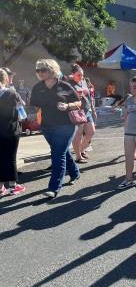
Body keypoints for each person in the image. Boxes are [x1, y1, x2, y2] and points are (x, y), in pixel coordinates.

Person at [30, 59, 81, 198]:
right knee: (61, 151)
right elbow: (35, 106)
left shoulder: (64, 86)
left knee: (57, 155)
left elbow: (79, 102)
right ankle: (75, 173)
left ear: (52, 70)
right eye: (38, 70)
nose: (40, 73)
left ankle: (54, 188)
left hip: (65, 125)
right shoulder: (37, 88)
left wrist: (67, 106)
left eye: (43, 70)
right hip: (47, 126)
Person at [0, 68, 26, 196]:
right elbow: (22, 110)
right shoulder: (11, 93)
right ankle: (13, 186)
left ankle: (0, 187)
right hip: (10, 130)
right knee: (11, 158)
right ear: (5, 79)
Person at [68, 64, 96, 163]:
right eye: (78, 75)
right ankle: (78, 157)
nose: (81, 77)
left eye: (82, 75)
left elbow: (89, 97)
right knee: (78, 134)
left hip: (87, 110)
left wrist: (93, 109)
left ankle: (80, 150)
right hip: (77, 111)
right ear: (73, 75)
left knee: (91, 132)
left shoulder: (83, 82)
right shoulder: (69, 84)